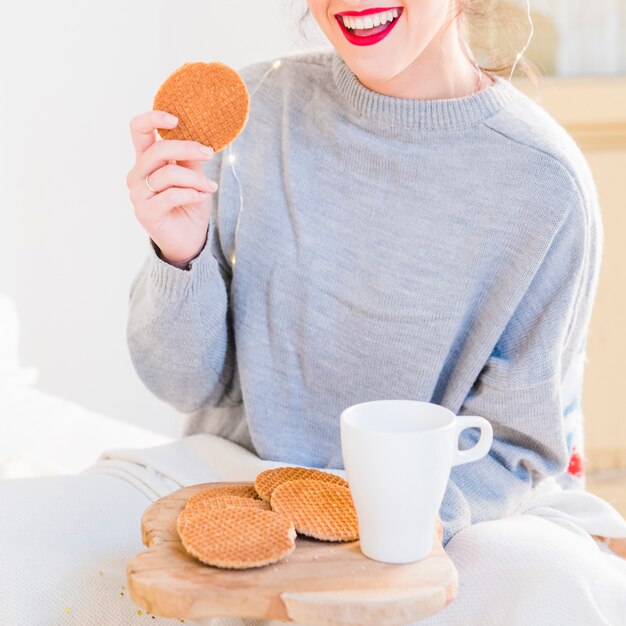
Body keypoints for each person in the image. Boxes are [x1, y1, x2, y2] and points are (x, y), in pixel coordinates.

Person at [2, 1, 626, 625]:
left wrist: (377, 534)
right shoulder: (254, 110)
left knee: (549, 585)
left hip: (433, 515)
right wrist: (179, 252)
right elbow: (181, 383)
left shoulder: (544, 182)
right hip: (235, 485)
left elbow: (517, 447)